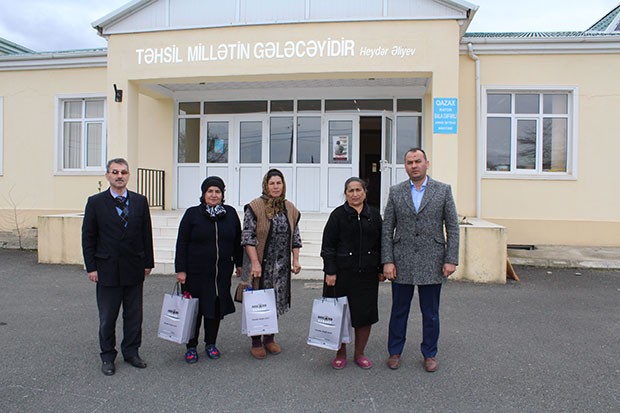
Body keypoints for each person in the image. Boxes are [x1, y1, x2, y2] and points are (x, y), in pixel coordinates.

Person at [382, 148, 459, 373]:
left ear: (427, 163)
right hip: (402, 260)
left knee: (431, 313)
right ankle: (395, 351)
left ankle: (429, 353)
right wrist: (387, 260)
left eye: (417, 161)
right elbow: (387, 229)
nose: (414, 165)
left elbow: (452, 227)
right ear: (405, 166)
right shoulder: (396, 192)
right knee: (399, 310)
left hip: (432, 260)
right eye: (409, 162)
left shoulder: (443, 190)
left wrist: (451, 259)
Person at [82, 158, 154, 376]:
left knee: (134, 315)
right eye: (115, 172)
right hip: (107, 269)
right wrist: (91, 267)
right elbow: (88, 237)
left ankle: (131, 352)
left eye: (123, 172)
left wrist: (148, 263)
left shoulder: (140, 201)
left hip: (134, 267)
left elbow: (146, 234)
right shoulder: (95, 202)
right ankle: (107, 356)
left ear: (128, 175)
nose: (119, 176)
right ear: (108, 176)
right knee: (108, 317)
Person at [175, 176, 243, 364]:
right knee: (194, 311)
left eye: (217, 191)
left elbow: (237, 241)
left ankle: (211, 343)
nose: (214, 195)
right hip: (195, 274)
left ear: (222, 194)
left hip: (220, 274)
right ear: (204, 194)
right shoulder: (192, 214)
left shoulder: (230, 214)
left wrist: (239, 264)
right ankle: (191, 346)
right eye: (210, 191)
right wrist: (181, 270)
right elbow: (182, 243)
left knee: (214, 309)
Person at [321, 177, 383, 370]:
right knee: (339, 315)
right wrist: (330, 271)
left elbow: (382, 244)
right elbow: (328, 246)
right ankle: (340, 353)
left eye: (358, 190)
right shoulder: (337, 215)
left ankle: (359, 353)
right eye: (351, 191)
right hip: (340, 275)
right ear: (346, 194)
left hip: (367, 275)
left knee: (364, 316)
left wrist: (381, 268)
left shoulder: (374, 215)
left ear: (365, 192)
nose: (355, 194)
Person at [241, 168, 302, 359]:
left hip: (281, 266)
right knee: (258, 302)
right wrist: (254, 263)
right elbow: (248, 237)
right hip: (260, 265)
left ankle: (269, 338)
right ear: (266, 186)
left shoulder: (289, 208)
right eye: (272, 183)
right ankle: (256, 341)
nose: (275, 187)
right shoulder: (254, 206)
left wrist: (296, 259)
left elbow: (295, 237)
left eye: (279, 183)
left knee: (274, 301)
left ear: (283, 185)